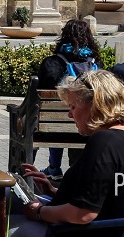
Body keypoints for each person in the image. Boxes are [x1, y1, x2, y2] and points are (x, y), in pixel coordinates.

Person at [18, 70, 124, 234]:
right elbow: (103, 198)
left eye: (73, 107)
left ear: (95, 104)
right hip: (98, 228)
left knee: (1, 214)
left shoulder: (104, 142)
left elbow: (83, 213)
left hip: (68, 230)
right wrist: (53, 190)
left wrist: (38, 212)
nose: (70, 114)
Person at [34, 19, 103, 179]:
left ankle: (54, 167)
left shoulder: (51, 63)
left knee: (53, 121)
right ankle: (75, 171)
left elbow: (36, 96)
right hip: (87, 127)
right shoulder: (95, 64)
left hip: (51, 129)